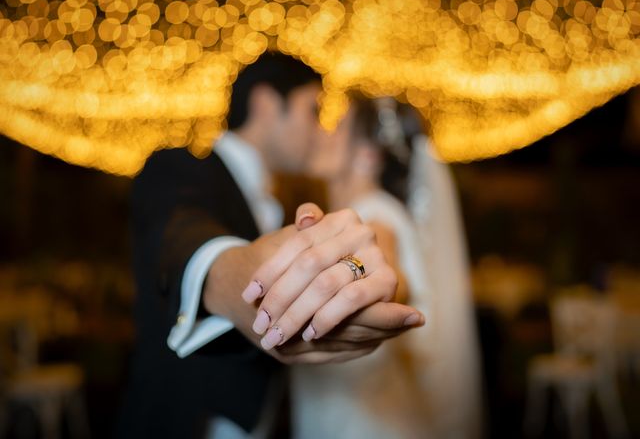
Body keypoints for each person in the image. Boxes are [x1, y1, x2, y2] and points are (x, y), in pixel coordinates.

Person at [116, 53, 425, 439]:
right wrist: (236, 278)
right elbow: (183, 234)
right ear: (265, 104)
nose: (319, 130)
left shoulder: (291, 210)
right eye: (312, 110)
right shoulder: (178, 167)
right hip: (182, 420)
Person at [291, 95, 482, 439]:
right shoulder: (354, 213)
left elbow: (387, 273)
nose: (324, 132)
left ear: (366, 155)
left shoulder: (376, 216)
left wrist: (371, 277)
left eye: (339, 126)